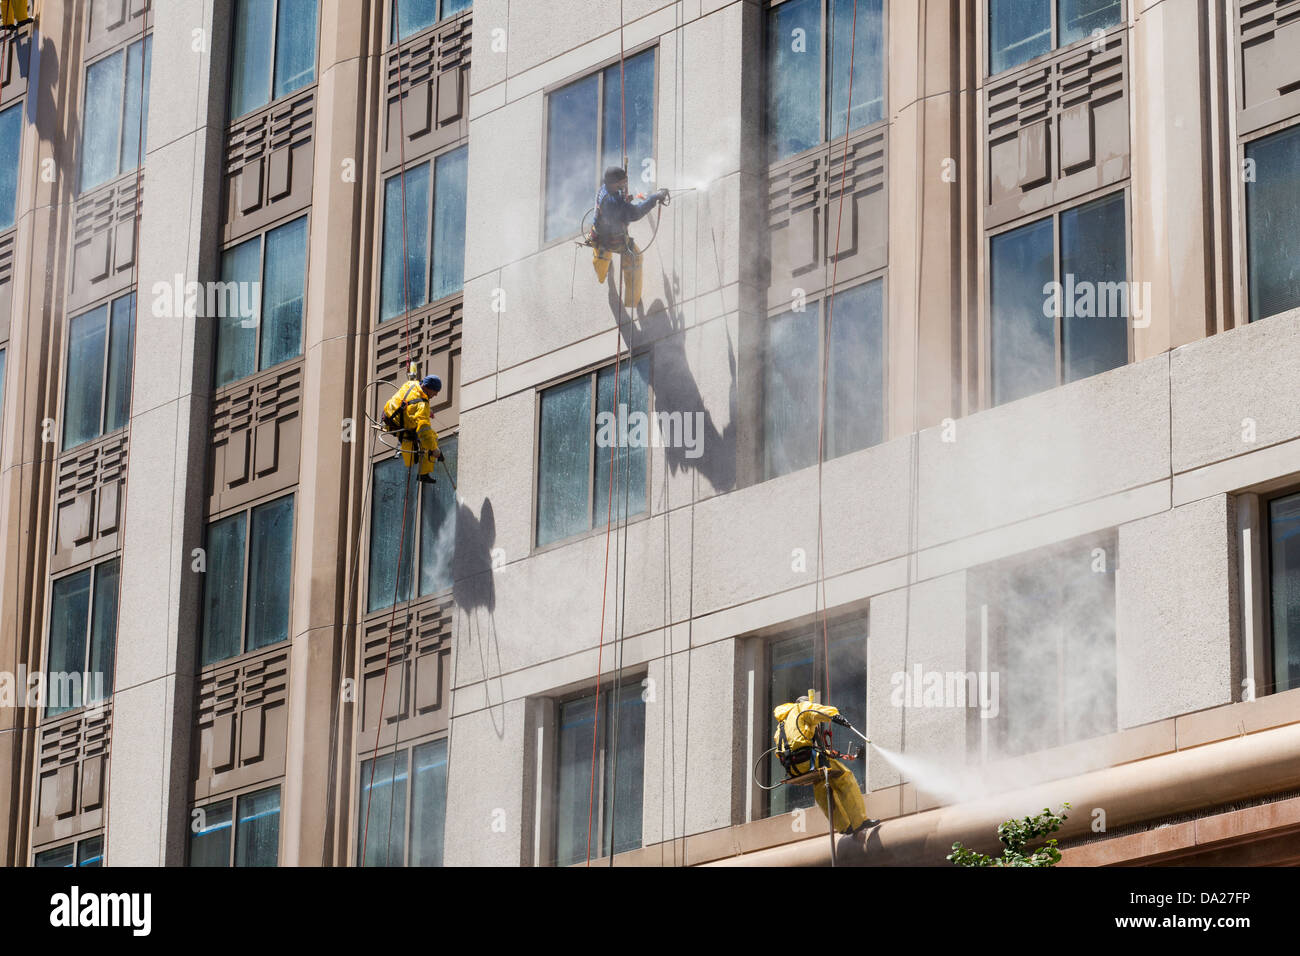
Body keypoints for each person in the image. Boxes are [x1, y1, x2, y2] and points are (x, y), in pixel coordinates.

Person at [773, 695, 879, 839]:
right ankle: (859, 821)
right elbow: (819, 711)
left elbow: (786, 750)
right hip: (809, 760)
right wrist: (836, 715)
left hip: (794, 768)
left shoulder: (781, 726)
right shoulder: (801, 708)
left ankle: (843, 826)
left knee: (822, 787)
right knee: (844, 777)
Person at [590, 166, 667, 308]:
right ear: (614, 183)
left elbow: (618, 206)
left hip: (598, 234)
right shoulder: (612, 202)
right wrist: (654, 198)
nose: (625, 184)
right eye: (622, 182)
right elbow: (635, 213)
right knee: (635, 258)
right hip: (614, 239)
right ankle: (632, 301)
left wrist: (624, 201)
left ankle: (601, 275)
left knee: (601, 255)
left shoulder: (604, 189)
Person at [382, 374, 442, 485]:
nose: (436, 395)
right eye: (435, 391)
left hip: (388, 416)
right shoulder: (422, 405)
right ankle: (423, 473)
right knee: (432, 438)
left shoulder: (412, 384)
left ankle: (417, 466)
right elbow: (424, 432)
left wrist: (427, 411)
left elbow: (410, 402)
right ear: (427, 388)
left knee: (427, 438)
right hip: (399, 426)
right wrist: (434, 449)